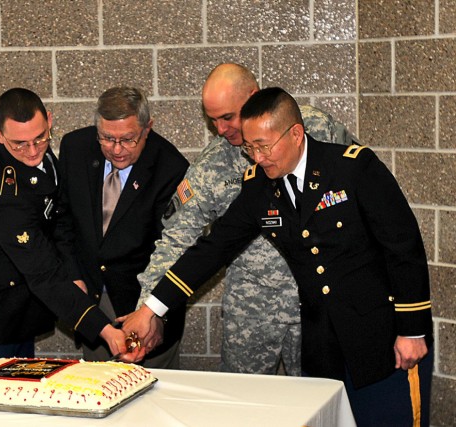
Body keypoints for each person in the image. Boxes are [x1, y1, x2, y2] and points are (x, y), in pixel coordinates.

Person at [124, 87, 433, 426]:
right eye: (250, 147)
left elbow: (403, 247)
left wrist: (412, 330)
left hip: (384, 341)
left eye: (264, 146)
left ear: (296, 134)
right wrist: (153, 308)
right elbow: (213, 249)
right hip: (324, 350)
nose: (257, 157)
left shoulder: (353, 169)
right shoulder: (260, 187)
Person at [137, 63, 357, 375]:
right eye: (212, 120)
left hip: (315, 305)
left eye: (228, 117)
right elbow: (175, 239)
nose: (221, 129)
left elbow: (359, 191)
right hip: (250, 312)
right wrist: (148, 309)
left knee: (320, 402)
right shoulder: (212, 166)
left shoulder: (314, 129)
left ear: (253, 97)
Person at [0, 87, 130, 359]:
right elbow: (43, 273)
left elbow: (59, 214)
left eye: (40, 137)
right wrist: (103, 328)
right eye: (19, 143)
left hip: (19, 308)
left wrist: (72, 270)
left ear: (49, 121)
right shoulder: (5, 198)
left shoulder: (37, 152)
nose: (32, 151)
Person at [57, 86, 189, 368]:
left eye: (128, 140)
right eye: (107, 138)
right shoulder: (75, 148)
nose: (116, 150)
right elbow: (62, 220)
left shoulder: (171, 167)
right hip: (91, 296)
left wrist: (153, 313)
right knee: (99, 387)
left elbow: (173, 252)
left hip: (142, 302)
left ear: (147, 128)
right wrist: (72, 275)